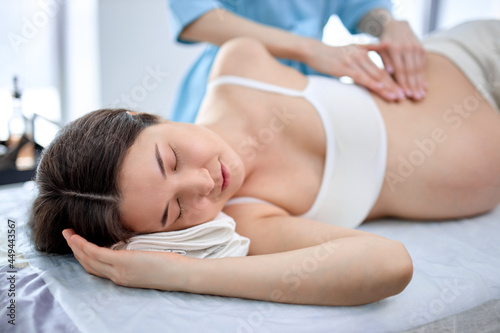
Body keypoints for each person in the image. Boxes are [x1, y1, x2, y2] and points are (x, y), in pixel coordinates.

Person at [29, 20, 500, 306]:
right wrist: (170, 272)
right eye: (174, 212)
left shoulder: (238, 66)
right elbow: (388, 264)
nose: (204, 183)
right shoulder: (250, 218)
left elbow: (224, 27)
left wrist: (318, 47)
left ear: (142, 115)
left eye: (170, 158)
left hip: (467, 51)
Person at [167, 0, 427, 123]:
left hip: (311, 88)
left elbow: (359, 7)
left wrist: (387, 25)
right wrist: (308, 48)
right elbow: (198, 18)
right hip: (230, 81)